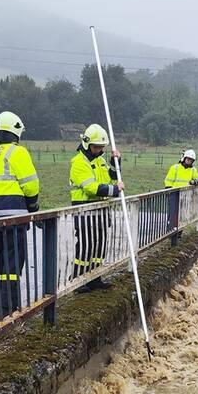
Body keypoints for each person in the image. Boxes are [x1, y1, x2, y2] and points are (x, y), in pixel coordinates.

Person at [0, 111, 39, 320]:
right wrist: (34, 207)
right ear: (16, 132)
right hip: (14, 216)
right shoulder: (17, 152)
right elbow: (31, 185)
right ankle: (9, 307)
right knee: (12, 263)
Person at [69, 123, 123, 292]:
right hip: (84, 209)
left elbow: (112, 177)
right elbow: (91, 187)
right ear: (87, 144)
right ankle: (79, 279)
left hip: (101, 209)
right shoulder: (78, 162)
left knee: (99, 245)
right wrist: (115, 190)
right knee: (86, 245)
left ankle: (95, 278)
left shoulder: (100, 160)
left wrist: (116, 162)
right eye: (96, 147)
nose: (99, 150)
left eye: (101, 148)